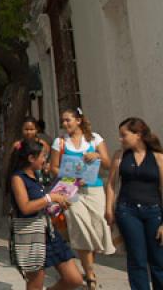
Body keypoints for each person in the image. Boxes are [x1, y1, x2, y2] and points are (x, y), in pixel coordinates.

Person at [50, 108, 115, 289]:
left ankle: (88, 267)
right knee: (80, 227)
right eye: (63, 121)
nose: (65, 124)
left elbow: (109, 164)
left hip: (95, 191)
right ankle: (90, 274)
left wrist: (98, 156)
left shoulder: (95, 139)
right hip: (73, 193)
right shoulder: (60, 142)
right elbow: (53, 167)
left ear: (78, 120)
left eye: (68, 120)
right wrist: (68, 174)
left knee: (97, 228)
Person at [9, 140, 83, 289]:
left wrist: (58, 203)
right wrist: (50, 198)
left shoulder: (37, 176)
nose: (45, 160)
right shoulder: (18, 178)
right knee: (35, 284)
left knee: (74, 279)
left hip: (49, 233)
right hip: (31, 236)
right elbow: (25, 207)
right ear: (31, 158)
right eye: (43, 156)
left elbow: (42, 204)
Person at [105, 117, 163, 290]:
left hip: (154, 212)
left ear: (138, 134)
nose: (120, 139)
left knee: (158, 260)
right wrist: (109, 209)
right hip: (127, 211)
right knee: (137, 259)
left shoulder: (158, 158)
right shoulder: (120, 156)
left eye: (124, 135)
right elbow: (111, 184)